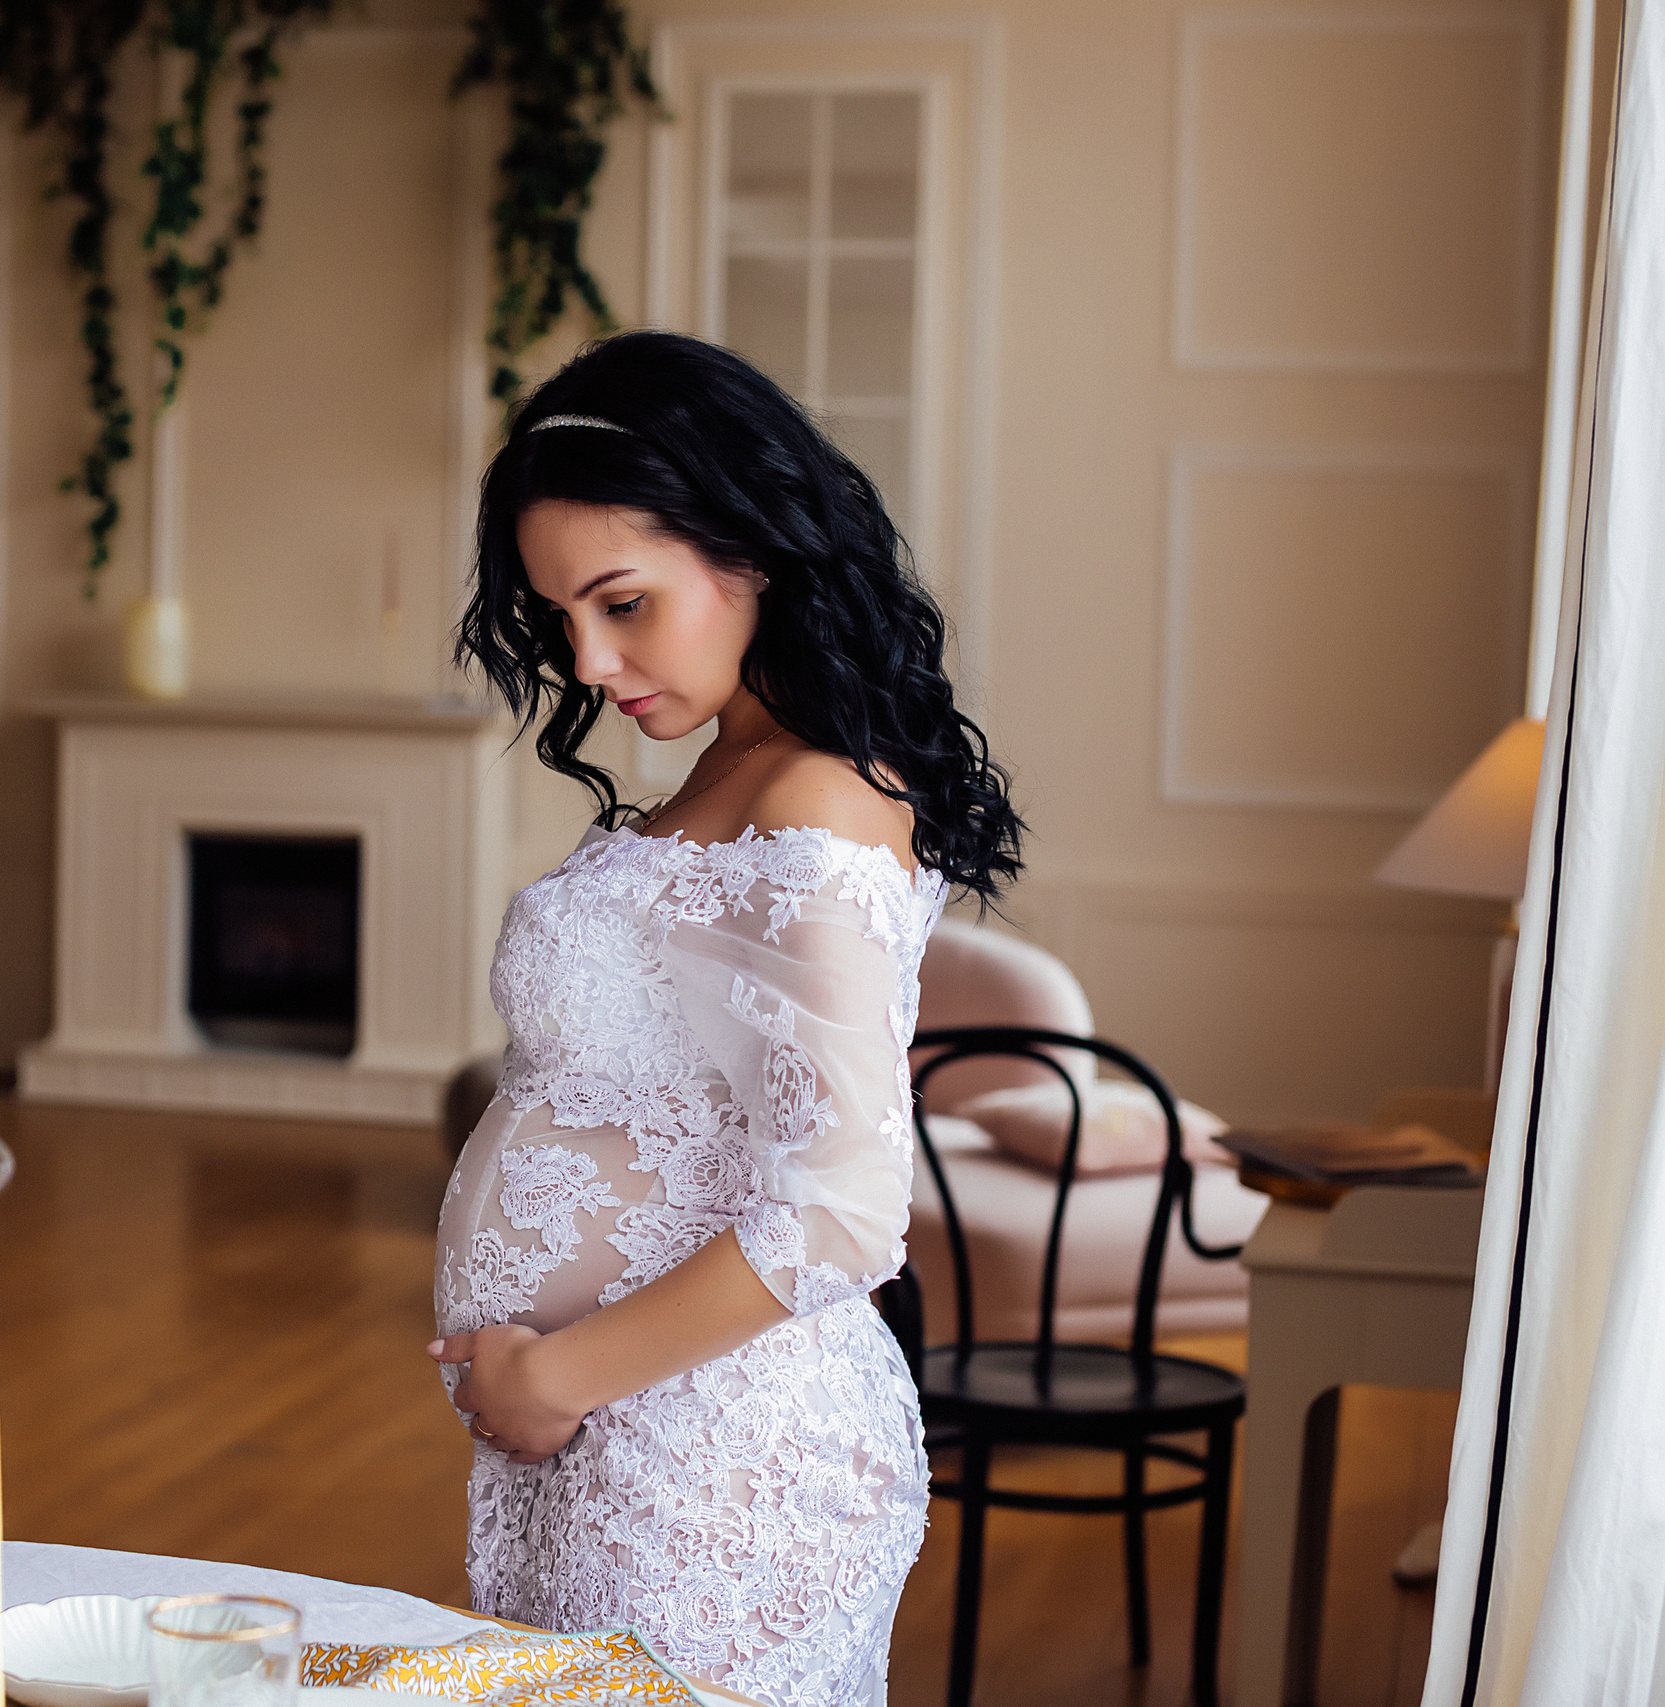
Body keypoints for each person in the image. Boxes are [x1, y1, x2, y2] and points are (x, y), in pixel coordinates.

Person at [427, 330, 1022, 1707]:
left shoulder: (810, 795)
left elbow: (843, 1206)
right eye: (559, 615)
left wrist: (558, 1373)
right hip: (631, 1447)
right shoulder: (739, 770)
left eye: (623, 604)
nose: (586, 659)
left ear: (750, 549)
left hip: (721, 1474)